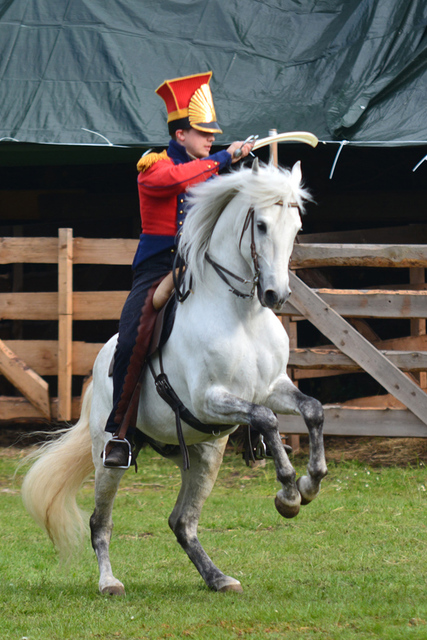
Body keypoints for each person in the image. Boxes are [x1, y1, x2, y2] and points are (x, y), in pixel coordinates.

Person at [104, 71, 255, 466]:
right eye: (203, 133)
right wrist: (226, 157)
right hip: (157, 268)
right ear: (180, 134)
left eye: (212, 135)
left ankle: (254, 422)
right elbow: (176, 179)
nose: (211, 139)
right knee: (132, 336)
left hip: (201, 262)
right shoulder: (153, 166)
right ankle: (120, 432)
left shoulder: (207, 166)